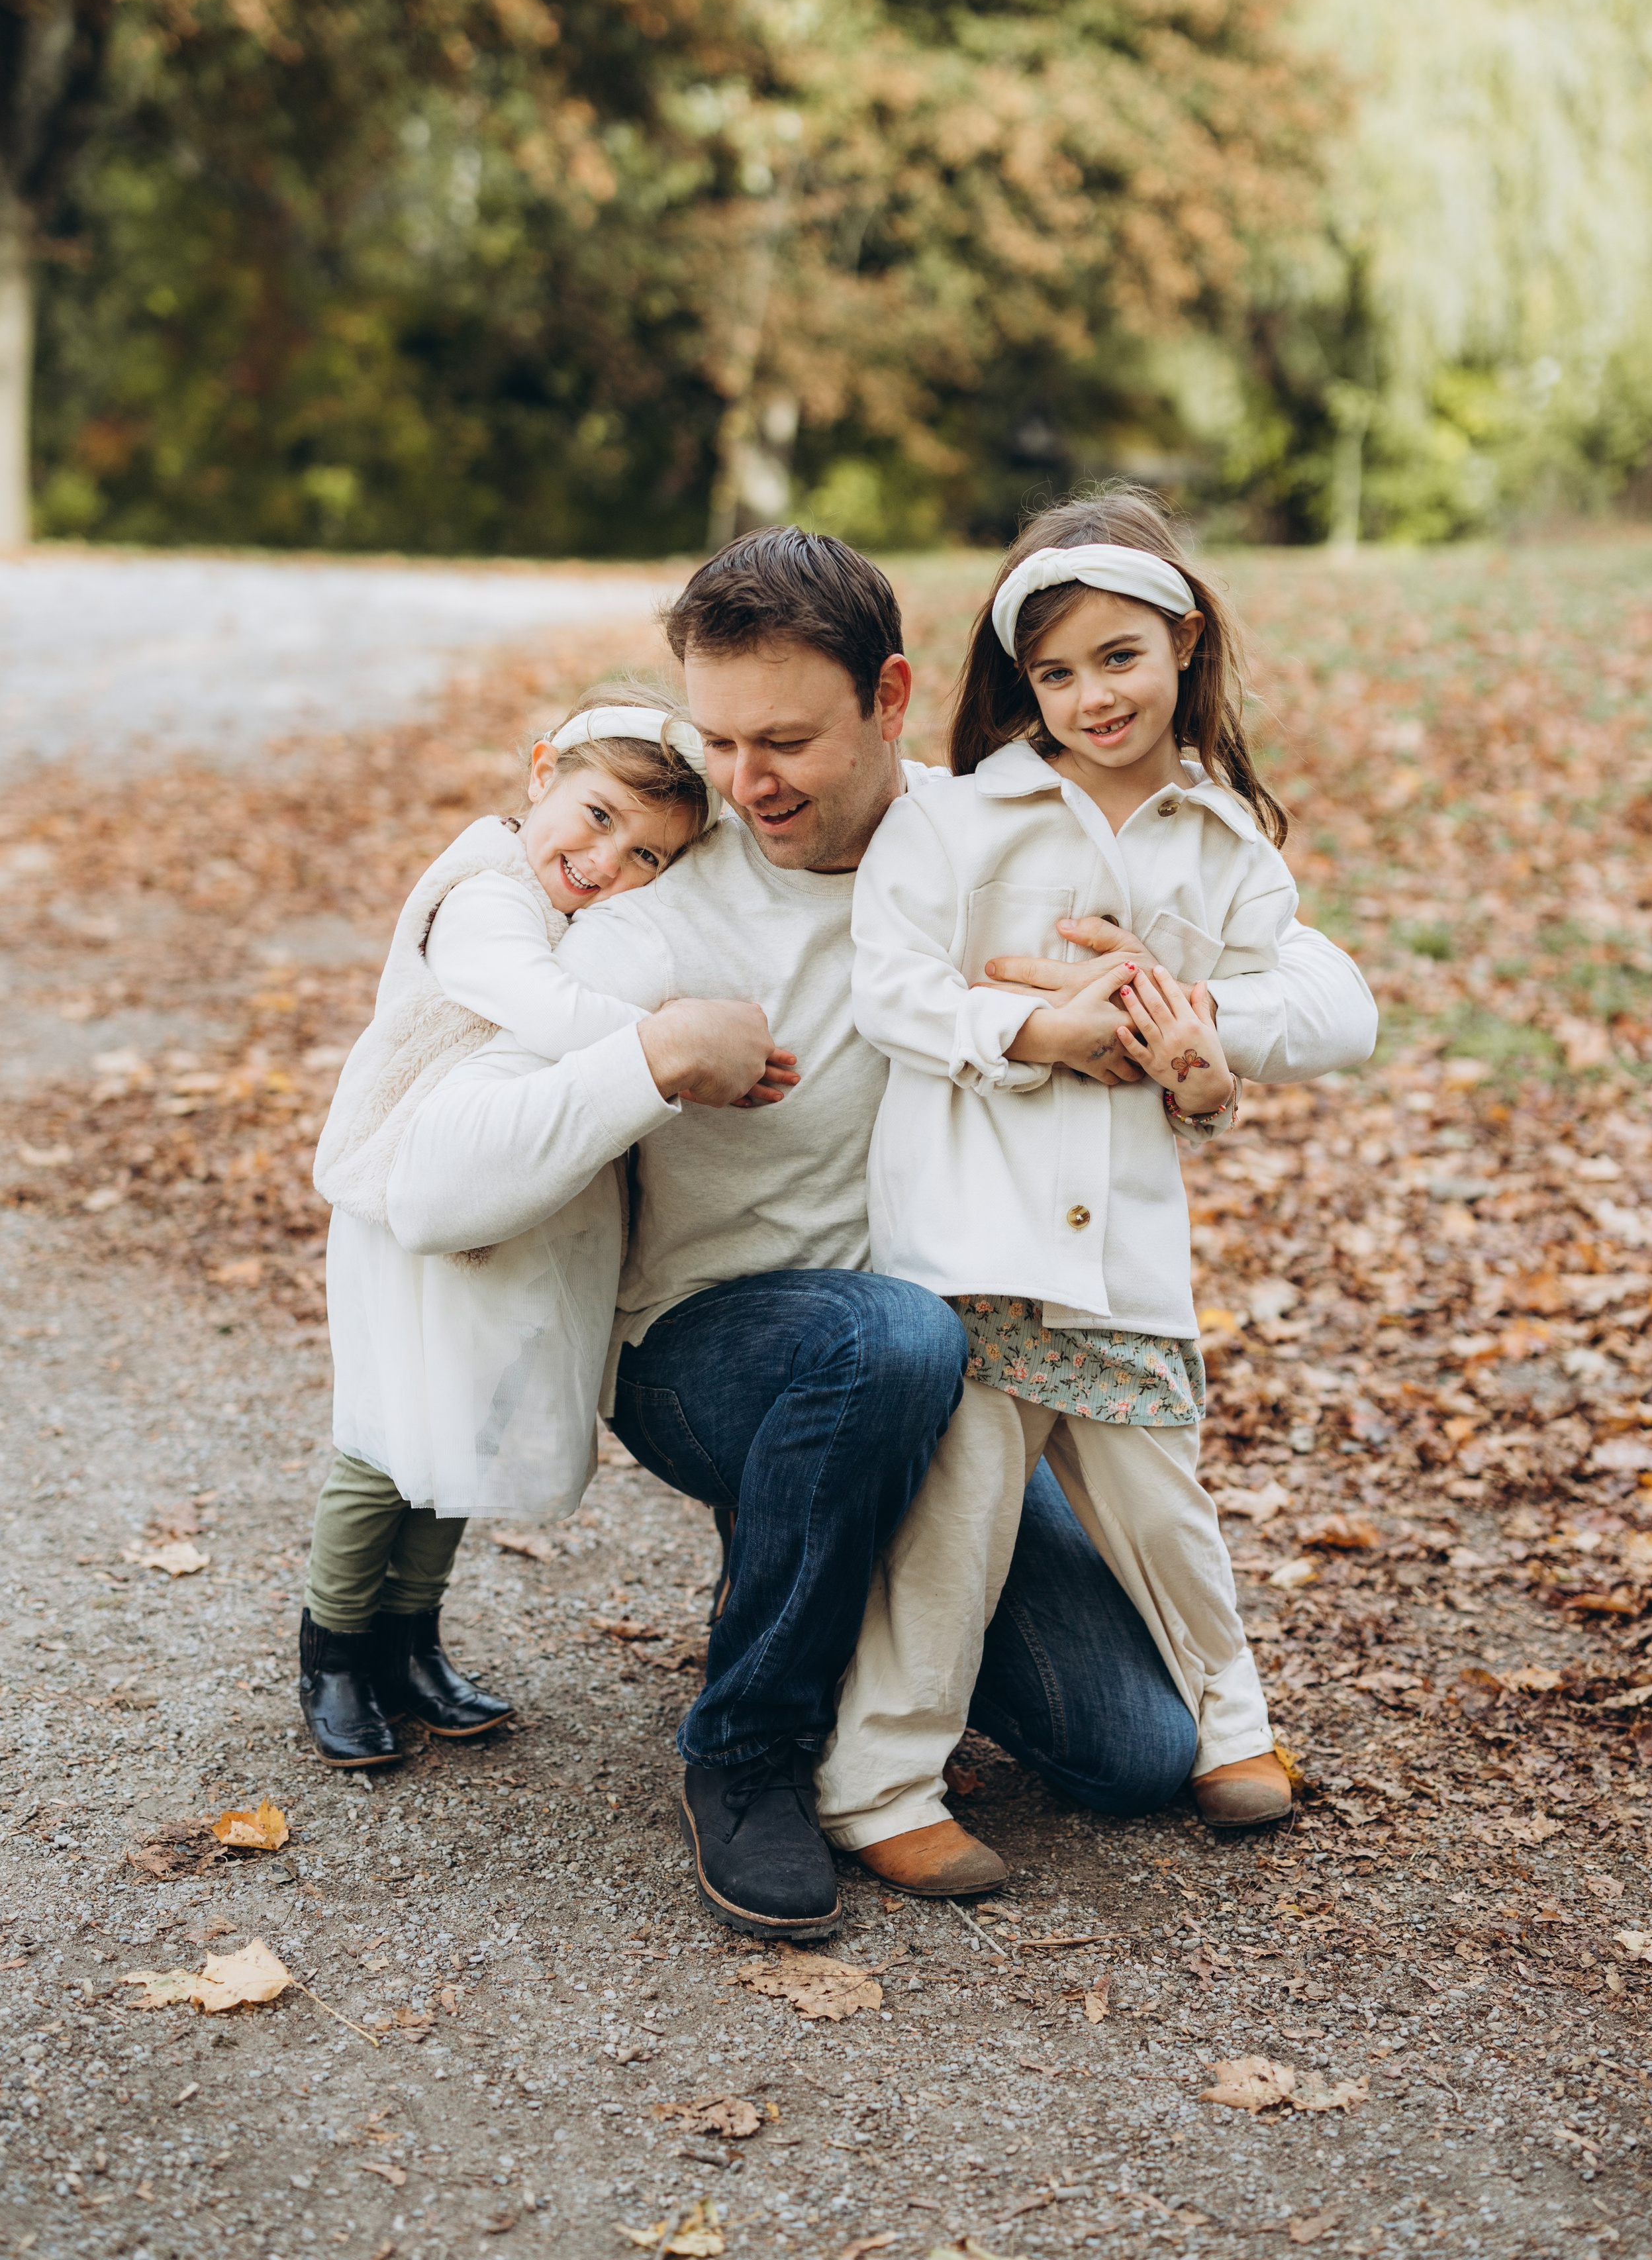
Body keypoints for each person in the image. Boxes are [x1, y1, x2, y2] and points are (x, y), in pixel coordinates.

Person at [385, 513, 1379, 1932]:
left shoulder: (990, 834)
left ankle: (837, 1561)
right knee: (883, 1340)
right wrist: (647, 1061)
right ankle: (748, 1752)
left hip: (960, 1347)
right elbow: (428, 1185)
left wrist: (1175, 1007)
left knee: (1130, 1752)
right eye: (718, 741)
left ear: (890, 699)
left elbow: (1330, 993)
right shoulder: (661, 914)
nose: (742, 783)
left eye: (782, 741)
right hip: (712, 1351)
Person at [812, 491, 1357, 1879]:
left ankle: (1236, 1728)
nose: (1087, 695)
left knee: (1158, 1503)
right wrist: (1034, 1028)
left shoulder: (1220, 842)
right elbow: (891, 990)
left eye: (1116, 656)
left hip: (1116, 1247)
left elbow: (1327, 1015)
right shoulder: (959, 821)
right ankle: (881, 1786)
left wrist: (1193, 1034)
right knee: (956, 1524)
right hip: (974, 1233)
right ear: (1018, 686)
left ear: (1182, 640)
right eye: (1052, 671)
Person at [299, 681, 785, 1769]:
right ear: (539, 774)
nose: (611, 863)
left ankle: (410, 1640)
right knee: (386, 1438)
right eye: (601, 817)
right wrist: (673, 1047)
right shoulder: (484, 891)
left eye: (650, 857)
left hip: (488, 1211)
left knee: (460, 1423)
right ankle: (334, 1650)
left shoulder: (569, 908)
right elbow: (551, 1013)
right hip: (398, 1201)